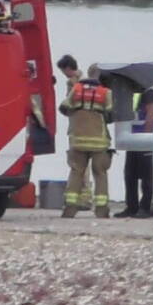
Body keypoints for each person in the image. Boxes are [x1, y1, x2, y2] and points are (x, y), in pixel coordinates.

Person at [59, 63, 113, 218]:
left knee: (76, 172)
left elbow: (63, 108)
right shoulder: (105, 93)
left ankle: (70, 208)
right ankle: (101, 210)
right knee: (100, 173)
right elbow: (110, 116)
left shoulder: (76, 89)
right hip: (99, 142)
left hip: (78, 140)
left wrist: (77, 114)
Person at [116, 81, 153, 218]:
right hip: (133, 138)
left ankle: (145, 207)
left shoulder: (149, 93)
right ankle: (131, 207)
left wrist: (147, 137)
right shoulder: (137, 93)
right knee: (130, 175)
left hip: (144, 139)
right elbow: (133, 113)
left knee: (147, 177)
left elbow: (151, 114)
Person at [57, 54, 93, 211]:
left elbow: (71, 105)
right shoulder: (78, 82)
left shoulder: (79, 83)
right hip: (80, 127)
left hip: (81, 128)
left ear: (68, 68)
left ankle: (84, 199)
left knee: (80, 164)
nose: (63, 74)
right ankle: (80, 197)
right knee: (78, 163)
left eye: (63, 71)